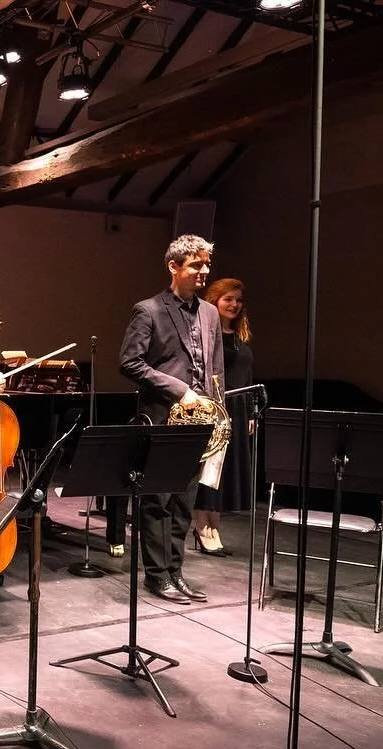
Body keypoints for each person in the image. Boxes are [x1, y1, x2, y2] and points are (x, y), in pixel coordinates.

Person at [118, 234, 225, 605]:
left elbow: (216, 370)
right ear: (174, 267)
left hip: (200, 421)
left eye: (206, 264)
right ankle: (156, 575)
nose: (204, 271)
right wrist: (178, 389)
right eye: (196, 265)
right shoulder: (148, 310)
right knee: (157, 499)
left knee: (184, 499)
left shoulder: (210, 313)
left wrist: (219, 415)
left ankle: (176, 572)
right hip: (163, 418)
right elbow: (130, 362)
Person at [192, 278, 254, 555]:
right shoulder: (206, 333)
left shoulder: (240, 336)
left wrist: (251, 412)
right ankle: (201, 524)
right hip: (216, 408)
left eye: (238, 300)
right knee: (210, 469)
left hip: (239, 411)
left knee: (226, 471)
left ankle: (213, 522)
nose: (234, 304)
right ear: (214, 300)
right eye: (228, 298)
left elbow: (248, 376)